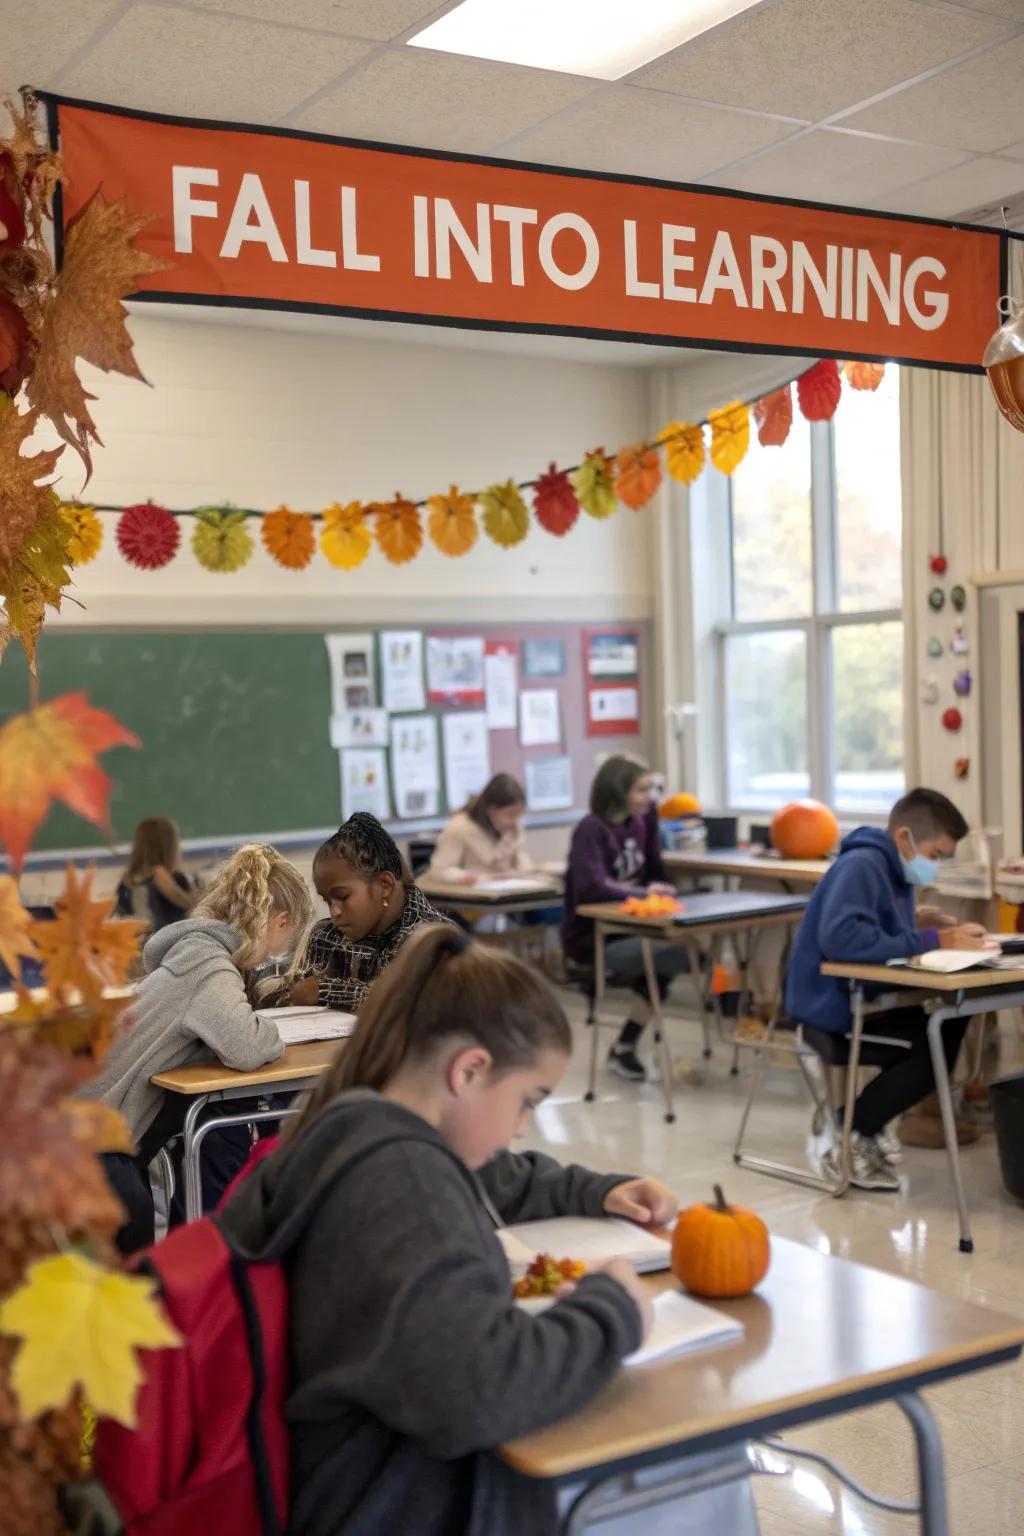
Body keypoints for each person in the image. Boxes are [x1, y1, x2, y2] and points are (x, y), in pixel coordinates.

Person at [220, 926, 678, 1536]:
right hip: (396, 1504)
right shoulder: (404, 1181)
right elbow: (481, 1392)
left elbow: (493, 1173)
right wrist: (612, 1310)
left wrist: (594, 1191)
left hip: (344, 1484)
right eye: (527, 1101)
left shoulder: (356, 1125)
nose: (520, 1129)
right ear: (469, 1071)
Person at [81, 843, 314, 1248]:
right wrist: (269, 1030)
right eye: (289, 936)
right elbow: (247, 1046)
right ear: (281, 920)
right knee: (130, 1238)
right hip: (90, 1147)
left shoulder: (194, 952)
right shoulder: (209, 966)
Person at [785, 787, 991, 1191]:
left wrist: (920, 925)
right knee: (930, 1046)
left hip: (867, 1002)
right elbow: (843, 939)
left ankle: (860, 1125)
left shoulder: (892, 871)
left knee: (948, 1022)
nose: (934, 866)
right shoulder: (863, 865)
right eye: (934, 855)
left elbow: (876, 935)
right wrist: (936, 943)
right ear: (904, 838)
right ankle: (851, 1132)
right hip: (832, 1012)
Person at [562, 754, 687, 1082]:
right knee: (673, 955)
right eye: (642, 790)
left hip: (632, 927)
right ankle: (624, 1048)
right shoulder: (591, 830)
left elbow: (653, 871)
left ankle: (624, 1047)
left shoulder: (642, 822)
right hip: (593, 938)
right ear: (618, 792)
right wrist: (644, 895)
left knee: (667, 966)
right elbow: (592, 887)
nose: (650, 797)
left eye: (652, 789)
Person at [283, 812, 451, 1011]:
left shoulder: (431, 938)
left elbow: (411, 1005)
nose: (334, 911)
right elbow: (298, 993)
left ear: (385, 885)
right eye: (326, 900)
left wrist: (325, 991)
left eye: (343, 897)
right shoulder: (326, 935)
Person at [428, 773, 533, 885]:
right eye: (510, 815)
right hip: (472, 897)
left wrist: (524, 872)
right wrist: (471, 878)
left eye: (519, 815)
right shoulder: (459, 827)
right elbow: (439, 871)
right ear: (491, 810)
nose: (515, 821)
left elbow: (524, 867)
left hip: (506, 895)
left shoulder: (512, 829)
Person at [116, 816, 198, 931]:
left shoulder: (127, 877)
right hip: (160, 941)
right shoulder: (161, 874)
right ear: (170, 846)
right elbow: (191, 906)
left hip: (130, 940)